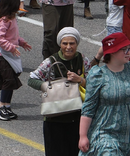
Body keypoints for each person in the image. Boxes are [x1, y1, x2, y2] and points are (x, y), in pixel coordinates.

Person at [79, 33, 130, 156]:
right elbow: (88, 109)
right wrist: (83, 136)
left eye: (129, 49)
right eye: (124, 49)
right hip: (105, 134)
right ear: (112, 52)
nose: (128, 52)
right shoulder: (98, 75)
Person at [27, 27, 89, 156]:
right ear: (59, 44)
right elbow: (32, 79)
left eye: (72, 43)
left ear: (77, 44)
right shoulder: (51, 61)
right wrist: (48, 88)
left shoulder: (83, 60)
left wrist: (80, 80)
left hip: (77, 118)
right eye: (64, 43)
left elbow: (94, 83)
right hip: (53, 119)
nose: (68, 47)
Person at [0, 0, 31, 121]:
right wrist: (11, 47)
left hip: (10, 54)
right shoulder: (4, 21)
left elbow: (12, 35)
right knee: (8, 81)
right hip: (3, 55)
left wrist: (21, 41)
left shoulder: (12, 19)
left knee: (12, 80)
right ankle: (1, 106)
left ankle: (7, 106)